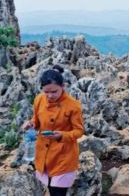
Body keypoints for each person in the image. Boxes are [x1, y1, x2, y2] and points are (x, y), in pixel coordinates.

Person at [23, 65, 84, 196]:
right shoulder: (39, 99)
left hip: (63, 156)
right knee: (51, 190)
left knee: (58, 193)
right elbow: (36, 121)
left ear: (63, 87)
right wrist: (30, 124)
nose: (50, 96)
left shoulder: (73, 105)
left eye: (54, 92)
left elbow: (79, 131)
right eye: (46, 92)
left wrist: (62, 135)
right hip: (44, 154)